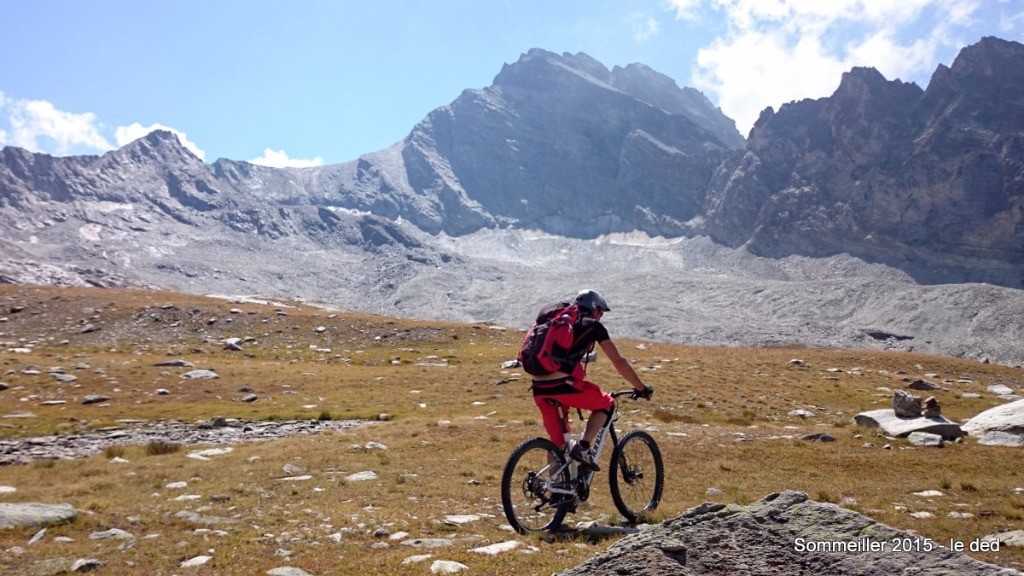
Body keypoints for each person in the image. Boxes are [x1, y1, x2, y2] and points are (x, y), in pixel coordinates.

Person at [530, 289, 653, 471]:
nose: (601, 317)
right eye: (601, 312)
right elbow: (618, 361)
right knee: (606, 405)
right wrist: (640, 387)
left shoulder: (557, 324)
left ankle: (557, 491)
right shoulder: (593, 326)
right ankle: (584, 447)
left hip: (539, 387)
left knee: (558, 443)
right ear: (595, 309)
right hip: (562, 386)